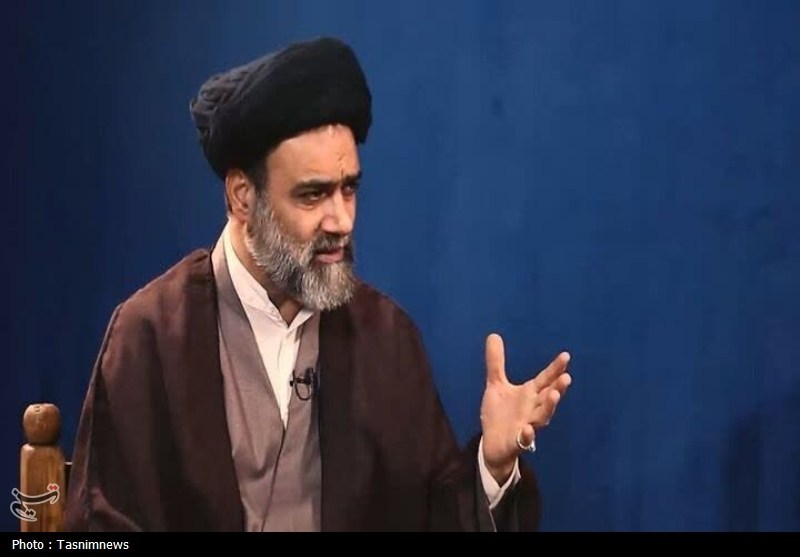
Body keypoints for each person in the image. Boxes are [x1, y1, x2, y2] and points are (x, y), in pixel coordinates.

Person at [64, 36, 572, 532]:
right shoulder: (150, 336)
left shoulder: (386, 339)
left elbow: (435, 518)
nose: (341, 220)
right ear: (243, 197)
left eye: (349, 189)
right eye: (313, 195)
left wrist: (493, 465)